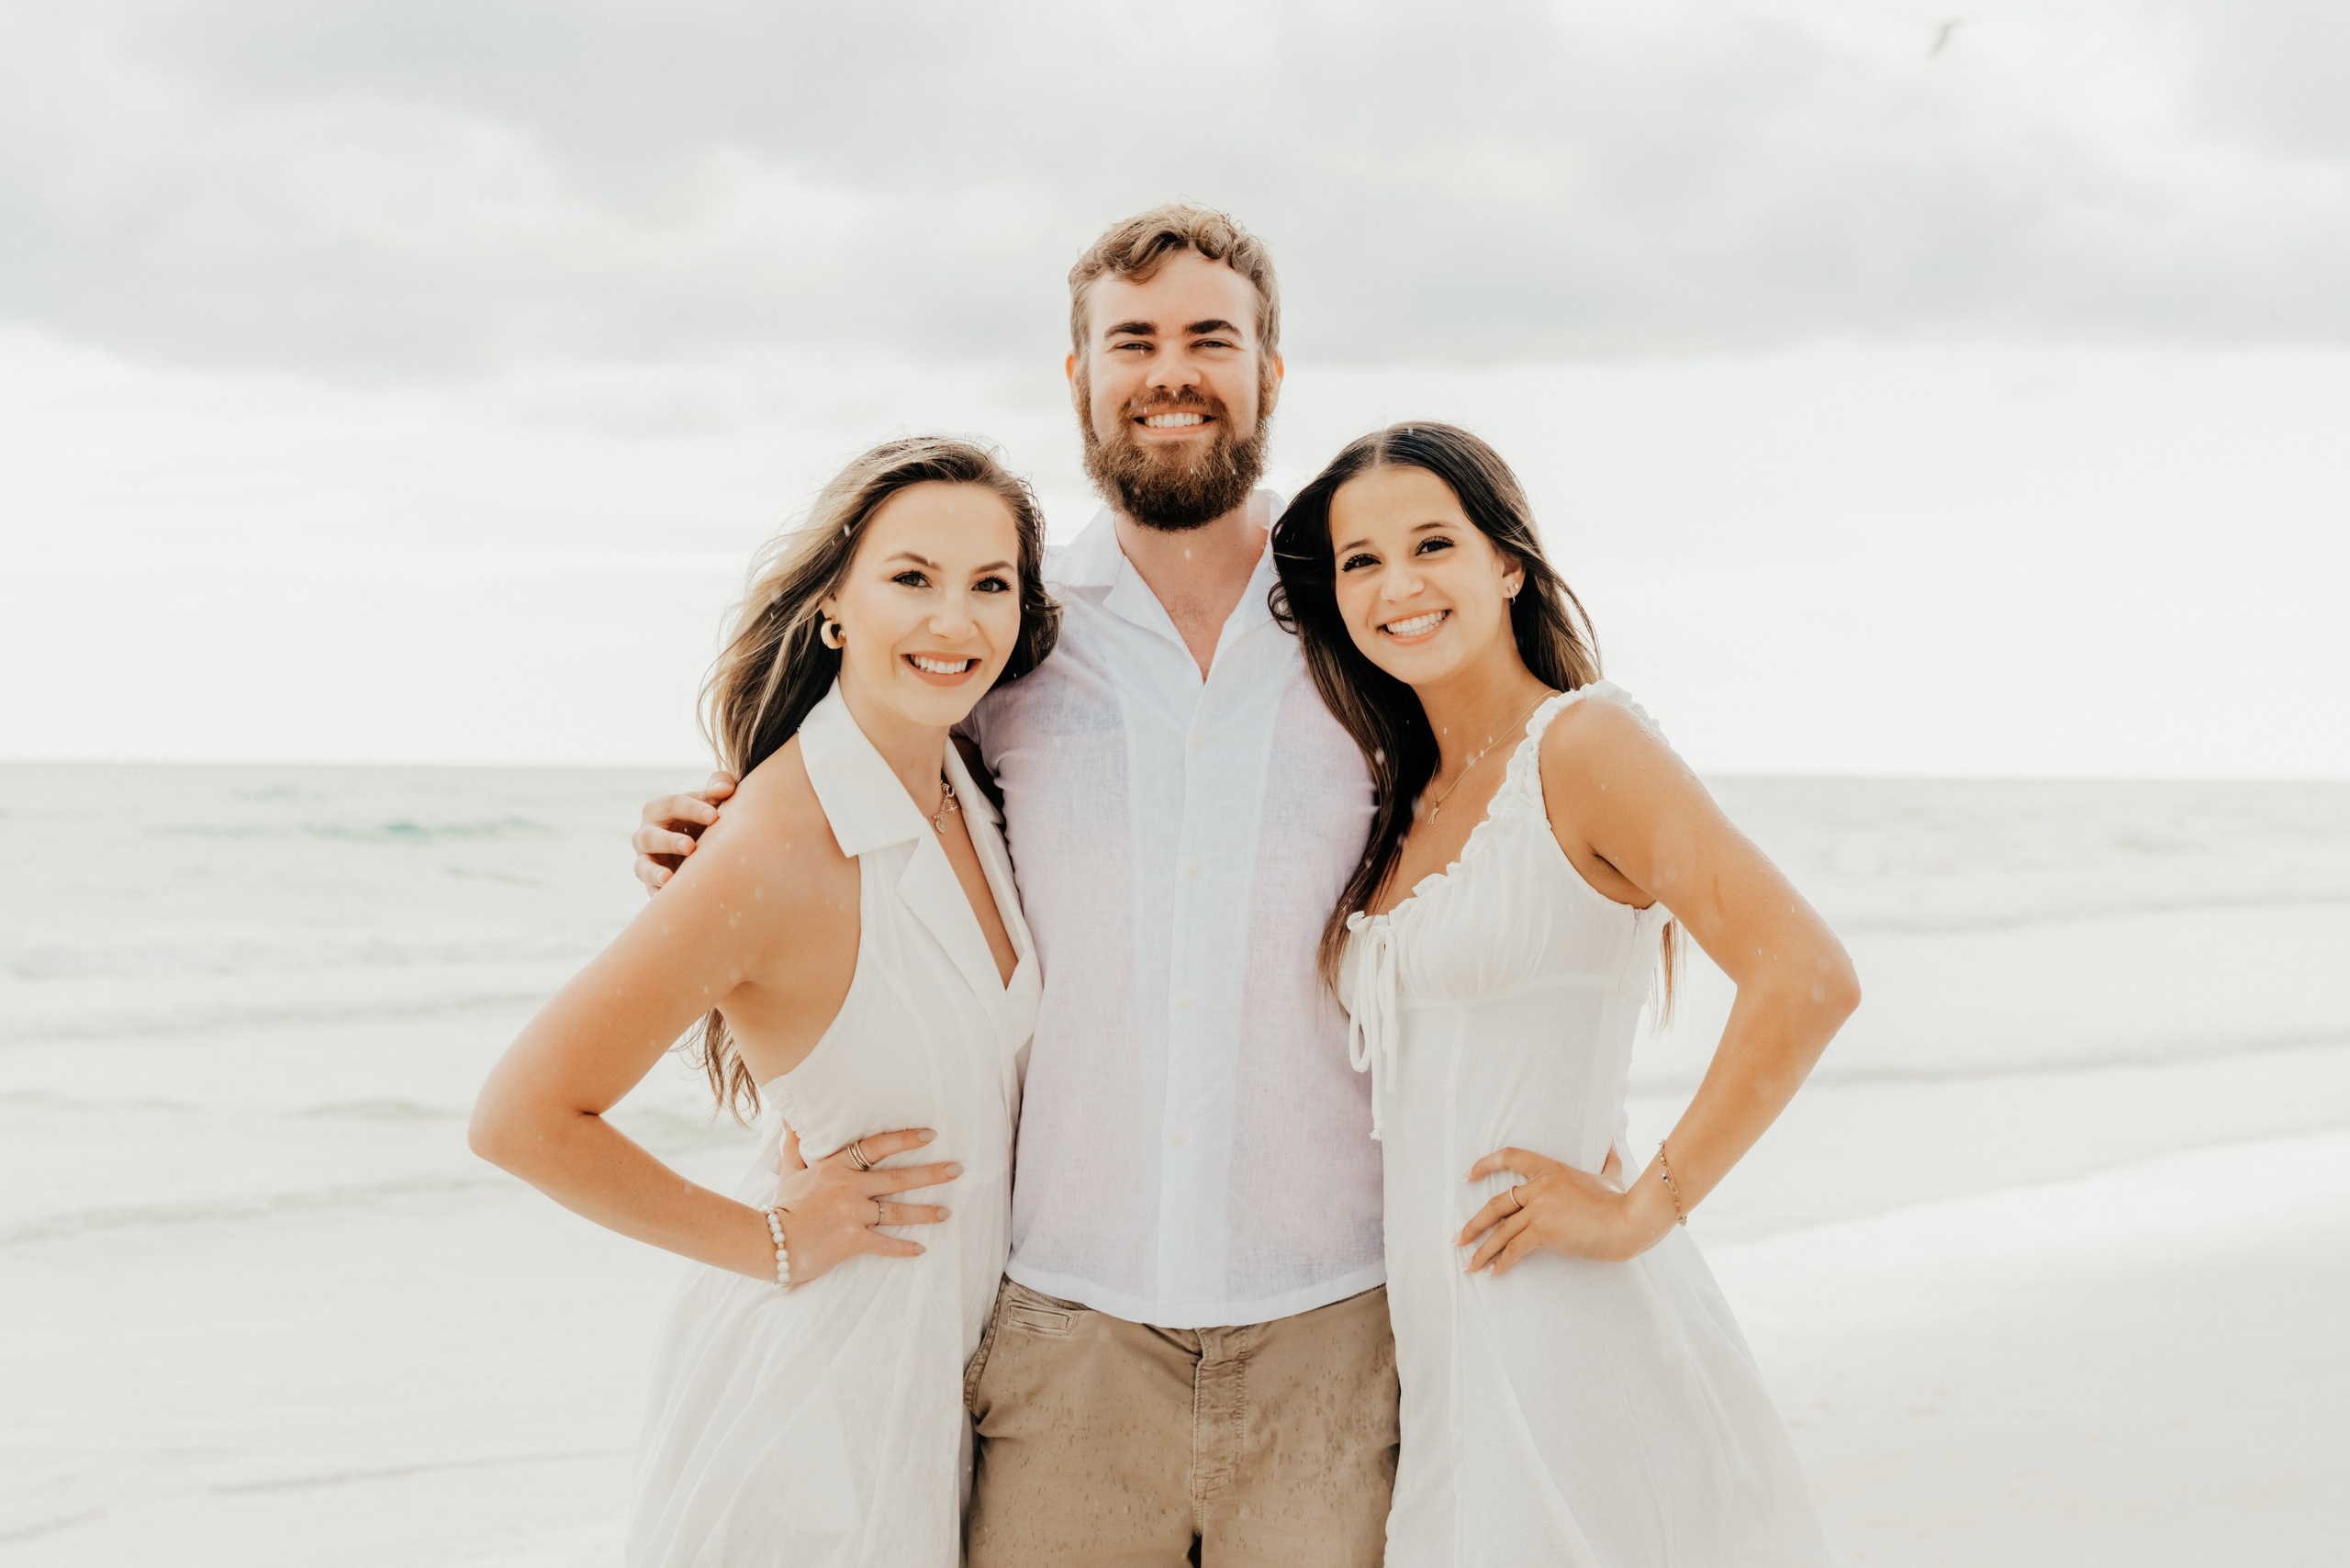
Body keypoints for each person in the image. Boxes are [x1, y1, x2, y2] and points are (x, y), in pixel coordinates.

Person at [633, 207, 1402, 1566]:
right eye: (1134, 341)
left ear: (1271, 373)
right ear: (1079, 376)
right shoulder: (1010, 634)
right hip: (1057, 1331)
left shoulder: (1365, 628)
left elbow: (1495, 828)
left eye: (1210, 338)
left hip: (1334, 1318)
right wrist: (711, 825)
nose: (1172, 370)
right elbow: (863, 803)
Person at [1270, 420, 1856, 1566]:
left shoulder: (1582, 744)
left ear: (1507, 563)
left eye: (1432, 543)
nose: (1398, 585)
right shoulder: (1398, 792)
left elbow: (1808, 974)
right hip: (1440, 1345)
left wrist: (1644, 1209)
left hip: (1564, 1321)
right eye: (1360, 561)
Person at [469, 436, 1061, 1567]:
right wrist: (773, 1240)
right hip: (815, 1409)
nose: (956, 620)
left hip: (949, 1396)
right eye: (911, 578)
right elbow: (520, 1117)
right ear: (834, 604)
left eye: (991, 584)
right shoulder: (773, 838)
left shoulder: (968, 784)